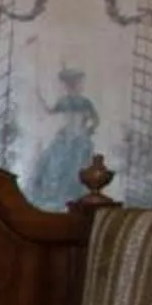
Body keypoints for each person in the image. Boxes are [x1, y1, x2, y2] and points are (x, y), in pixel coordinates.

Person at [24, 64, 102, 209]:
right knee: (54, 162)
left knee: (77, 166)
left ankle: (74, 196)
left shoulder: (85, 102)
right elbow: (50, 111)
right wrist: (39, 97)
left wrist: (89, 129)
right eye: (70, 84)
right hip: (65, 137)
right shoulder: (64, 101)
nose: (74, 87)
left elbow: (96, 119)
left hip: (79, 139)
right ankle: (55, 195)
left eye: (76, 84)